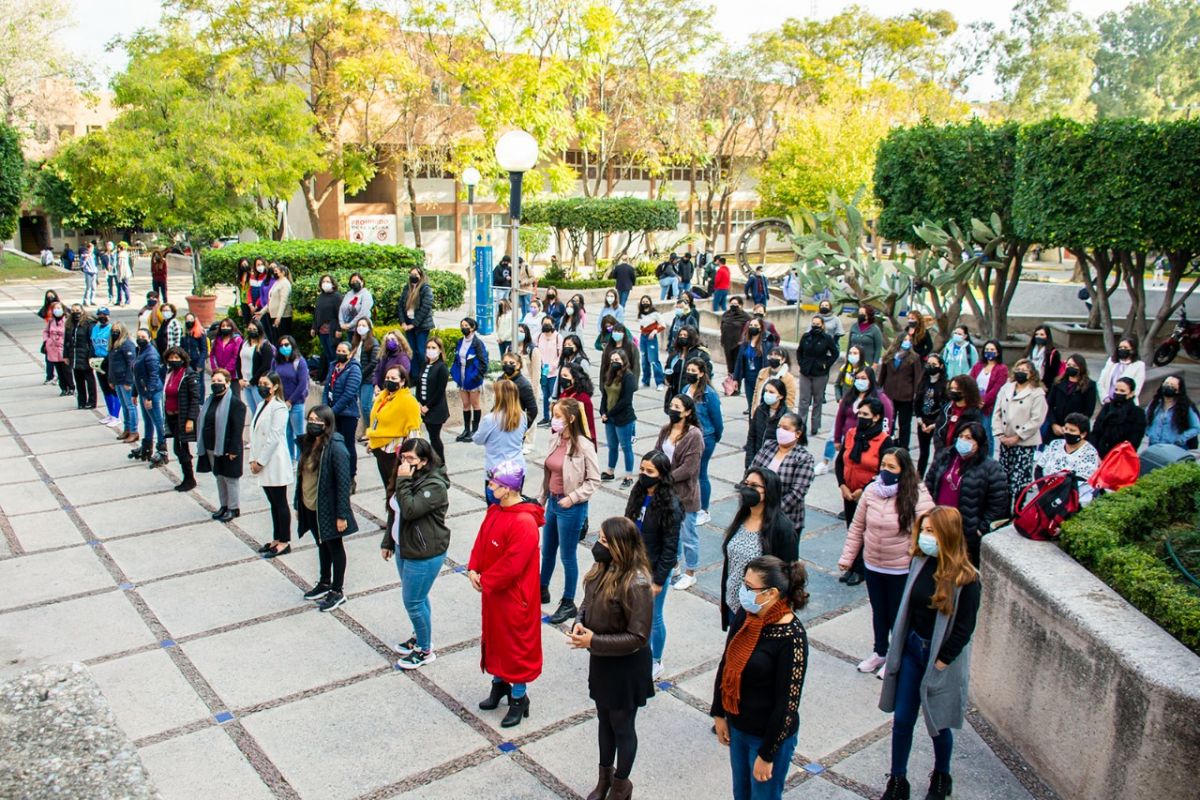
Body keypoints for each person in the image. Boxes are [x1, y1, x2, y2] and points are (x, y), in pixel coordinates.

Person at [878, 506, 980, 800]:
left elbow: (963, 629)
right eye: (923, 530)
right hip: (912, 650)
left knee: (938, 722)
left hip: (940, 659)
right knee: (903, 720)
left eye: (931, 532)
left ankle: (941, 775)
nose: (924, 537)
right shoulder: (920, 562)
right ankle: (897, 780)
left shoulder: (968, 580)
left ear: (947, 535)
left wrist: (939, 663)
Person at [711, 555, 809, 800]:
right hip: (739, 726)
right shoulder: (747, 616)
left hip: (766, 738)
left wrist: (767, 755)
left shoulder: (792, 637)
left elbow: (787, 704)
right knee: (741, 794)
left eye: (749, 587)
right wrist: (719, 713)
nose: (743, 592)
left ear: (771, 593)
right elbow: (726, 663)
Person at [571, 516, 655, 800]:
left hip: (626, 665)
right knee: (604, 720)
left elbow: (638, 637)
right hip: (603, 659)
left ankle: (621, 784)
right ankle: (603, 778)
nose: (599, 544)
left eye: (605, 541)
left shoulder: (637, 583)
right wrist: (580, 621)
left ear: (620, 546)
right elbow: (587, 600)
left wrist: (594, 640)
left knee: (622, 725)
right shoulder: (601, 569)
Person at [839, 448, 934, 678]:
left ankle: (896, 656)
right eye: (883, 465)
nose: (885, 471)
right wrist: (847, 558)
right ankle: (880, 650)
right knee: (879, 611)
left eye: (892, 467)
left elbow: (929, 527)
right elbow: (857, 527)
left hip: (900, 567)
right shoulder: (872, 491)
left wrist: (914, 551)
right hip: (873, 564)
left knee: (898, 614)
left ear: (903, 470)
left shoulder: (917, 495)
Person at [469, 459, 544, 728]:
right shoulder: (495, 510)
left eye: (495, 484)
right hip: (494, 593)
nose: (490, 488)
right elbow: (481, 541)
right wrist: (474, 567)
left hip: (514, 597)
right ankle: (499, 685)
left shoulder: (523, 523)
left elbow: (512, 564)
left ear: (510, 489)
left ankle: (518, 698)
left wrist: (485, 579)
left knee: (515, 647)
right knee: (496, 640)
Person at [381, 438, 450, 669]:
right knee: (418, 598)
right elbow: (395, 510)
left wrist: (403, 479)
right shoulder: (407, 477)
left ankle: (425, 649)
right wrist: (388, 541)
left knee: (413, 601)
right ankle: (420, 636)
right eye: (403, 457)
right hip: (403, 546)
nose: (404, 462)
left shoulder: (435, 486)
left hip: (424, 551)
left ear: (424, 461)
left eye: (411, 459)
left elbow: (409, 509)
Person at [539, 398, 601, 625]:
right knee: (547, 550)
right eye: (553, 415)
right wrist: (542, 498)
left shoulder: (584, 445)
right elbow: (549, 472)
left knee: (567, 556)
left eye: (558, 416)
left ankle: (568, 602)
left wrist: (573, 498)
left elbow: (594, 480)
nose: (554, 420)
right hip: (553, 504)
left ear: (571, 419)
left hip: (571, 508)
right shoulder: (554, 439)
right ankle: (541, 588)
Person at [295, 404, 359, 612]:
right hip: (310, 504)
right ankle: (324, 581)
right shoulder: (308, 443)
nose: (313, 424)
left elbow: (343, 484)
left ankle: (337, 590)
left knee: (334, 547)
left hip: (329, 509)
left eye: (317, 421)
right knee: (321, 544)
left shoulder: (336, 448)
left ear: (327, 424)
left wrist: (342, 515)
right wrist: (298, 503)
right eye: (310, 420)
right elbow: (302, 476)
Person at [624, 451, 681, 679]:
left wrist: (659, 579)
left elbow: (670, 546)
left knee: (653, 616)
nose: (644, 475)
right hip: (632, 563)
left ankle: (655, 659)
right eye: (642, 469)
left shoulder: (670, 505)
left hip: (653, 567)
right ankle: (637, 650)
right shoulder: (638, 492)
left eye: (650, 472)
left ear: (661, 475)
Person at [924, 422, 1009, 566]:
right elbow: (929, 483)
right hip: (938, 523)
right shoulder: (945, 456)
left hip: (966, 532)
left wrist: (981, 529)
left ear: (979, 442)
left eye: (969, 438)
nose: (963, 441)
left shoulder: (991, 468)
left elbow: (998, 503)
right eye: (961, 436)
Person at [836, 397, 893, 585]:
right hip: (848, 491)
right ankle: (851, 565)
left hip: (868, 494)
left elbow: (883, 471)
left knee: (864, 531)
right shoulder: (852, 433)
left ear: (876, 417)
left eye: (865, 415)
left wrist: (864, 489)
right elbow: (840, 461)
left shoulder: (884, 441)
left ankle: (860, 569)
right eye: (859, 413)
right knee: (852, 530)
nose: (861, 417)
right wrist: (842, 484)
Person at [655, 394, 704, 591]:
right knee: (668, 531)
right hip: (666, 492)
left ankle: (691, 572)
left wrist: (665, 479)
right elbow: (657, 452)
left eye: (677, 406)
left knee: (688, 535)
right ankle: (673, 564)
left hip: (684, 494)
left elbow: (689, 468)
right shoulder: (666, 430)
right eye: (671, 405)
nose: (673, 409)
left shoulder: (694, 435)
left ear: (687, 412)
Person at [992, 358, 1048, 507]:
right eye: (1018, 369)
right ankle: (1003, 508)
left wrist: (1017, 436)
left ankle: (1018, 508)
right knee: (1004, 477)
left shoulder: (1037, 393)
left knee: (1020, 479)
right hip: (1005, 441)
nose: (1020, 373)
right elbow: (997, 412)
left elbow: (1037, 419)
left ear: (1031, 374)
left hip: (1024, 443)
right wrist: (1000, 434)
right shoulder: (1006, 388)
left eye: (1025, 371)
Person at [250, 372, 295, 558]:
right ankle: (276, 538)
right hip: (261, 459)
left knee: (280, 502)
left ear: (275, 386)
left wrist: (260, 461)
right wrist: (253, 458)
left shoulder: (279, 408)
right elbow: (255, 433)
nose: (262, 386)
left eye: (265, 383)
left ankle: (284, 541)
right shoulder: (262, 404)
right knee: (273, 503)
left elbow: (274, 437)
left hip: (273, 461)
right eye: (260, 383)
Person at [750, 413, 815, 535]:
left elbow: (797, 493)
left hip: (786, 519)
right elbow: (752, 471)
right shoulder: (769, 446)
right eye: (779, 427)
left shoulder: (804, 458)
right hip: (757, 512)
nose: (780, 431)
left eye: (785, 428)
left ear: (798, 433)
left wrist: (770, 511)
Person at [196, 369, 247, 523]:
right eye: (213, 381)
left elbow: (237, 430)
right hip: (212, 446)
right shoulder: (210, 400)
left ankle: (233, 508)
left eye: (219, 381)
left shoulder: (236, 404)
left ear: (227, 383)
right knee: (219, 477)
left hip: (228, 448)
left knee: (230, 478)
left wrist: (233, 450)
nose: (216, 384)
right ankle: (223, 505)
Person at [366, 365, 422, 489]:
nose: (389, 381)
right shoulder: (383, 397)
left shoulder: (408, 401)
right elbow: (376, 421)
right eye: (387, 378)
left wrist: (410, 457)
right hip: (380, 450)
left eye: (393, 378)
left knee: (398, 489)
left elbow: (414, 432)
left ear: (402, 381)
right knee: (388, 487)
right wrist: (372, 441)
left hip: (395, 454)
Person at [473, 379, 528, 503]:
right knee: (514, 506)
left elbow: (477, 439)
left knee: (495, 512)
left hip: (496, 472)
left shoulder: (490, 419)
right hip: (516, 469)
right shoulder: (522, 416)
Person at [684, 358, 724, 524]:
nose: (690, 374)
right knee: (690, 472)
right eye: (689, 370)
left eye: (694, 371)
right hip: (687, 436)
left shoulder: (709, 394)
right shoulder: (686, 389)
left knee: (701, 473)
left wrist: (714, 437)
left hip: (705, 437)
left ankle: (704, 509)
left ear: (701, 373)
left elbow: (717, 421)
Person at [1034, 413, 1101, 503]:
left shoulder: (1090, 453)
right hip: (1045, 496)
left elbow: (1082, 482)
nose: (1067, 432)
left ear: (1083, 434)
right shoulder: (1055, 444)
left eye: (1072, 430)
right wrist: (1043, 491)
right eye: (1066, 429)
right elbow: (1039, 469)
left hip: (1070, 502)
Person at [323, 341, 362, 486]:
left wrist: (332, 411)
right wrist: (325, 409)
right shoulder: (334, 366)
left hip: (347, 414)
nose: (340, 353)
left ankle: (351, 476)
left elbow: (349, 394)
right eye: (338, 350)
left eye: (343, 351)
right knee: (333, 444)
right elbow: (327, 388)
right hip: (332, 412)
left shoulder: (354, 369)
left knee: (348, 445)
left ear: (350, 353)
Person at [163, 348, 201, 491]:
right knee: (179, 447)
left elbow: (195, 398)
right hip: (170, 416)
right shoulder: (169, 374)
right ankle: (187, 477)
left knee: (180, 448)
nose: (173, 360)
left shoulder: (189, 375)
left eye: (176, 358)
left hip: (182, 417)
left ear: (183, 359)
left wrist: (190, 419)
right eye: (171, 358)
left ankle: (189, 478)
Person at [600, 349, 638, 488]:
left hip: (623, 418)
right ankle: (610, 471)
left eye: (617, 360)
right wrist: (603, 411)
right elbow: (605, 395)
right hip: (609, 418)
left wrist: (609, 414)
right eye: (612, 360)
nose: (614, 363)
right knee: (612, 446)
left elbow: (626, 400)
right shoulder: (609, 375)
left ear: (623, 361)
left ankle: (628, 475)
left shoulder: (628, 377)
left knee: (626, 447)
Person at [880, 334, 925, 450]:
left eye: (909, 340)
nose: (907, 342)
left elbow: (917, 378)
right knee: (889, 420)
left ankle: (904, 447)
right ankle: (887, 443)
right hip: (889, 394)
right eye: (905, 340)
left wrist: (916, 395)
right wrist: (879, 391)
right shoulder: (889, 356)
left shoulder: (914, 358)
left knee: (904, 424)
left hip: (906, 396)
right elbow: (882, 376)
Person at [131, 328, 168, 465]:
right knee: (147, 421)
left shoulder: (151, 354)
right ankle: (147, 446)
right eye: (138, 336)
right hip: (142, 390)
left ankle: (162, 449)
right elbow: (137, 374)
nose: (140, 338)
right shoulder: (140, 351)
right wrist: (134, 393)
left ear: (149, 338)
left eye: (143, 336)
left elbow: (153, 376)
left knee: (158, 421)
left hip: (151, 392)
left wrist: (149, 397)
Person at [797, 315, 839, 436]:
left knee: (818, 400)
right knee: (804, 400)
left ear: (822, 325)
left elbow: (835, 353)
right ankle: (801, 425)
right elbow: (799, 351)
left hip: (820, 373)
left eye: (818, 324)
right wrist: (801, 363)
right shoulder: (806, 337)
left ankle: (815, 425)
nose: (815, 326)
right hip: (805, 371)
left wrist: (826, 364)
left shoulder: (827, 338)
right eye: (813, 323)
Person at [270, 335, 309, 460]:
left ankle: (300, 459)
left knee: (299, 433)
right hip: (280, 402)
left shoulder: (299, 361)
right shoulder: (275, 361)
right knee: (286, 433)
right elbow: (272, 378)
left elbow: (302, 384)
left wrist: (290, 401)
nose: (284, 347)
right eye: (281, 345)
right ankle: (290, 458)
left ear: (292, 346)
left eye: (286, 345)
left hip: (296, 403)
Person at [1047, 354, 1098, 442]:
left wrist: (1071, 427)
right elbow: (1049, 405)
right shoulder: (1058, 382)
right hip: (1056, 429)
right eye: (1069, 365)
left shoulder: (1089, 386)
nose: (1071, 368)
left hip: (1075, 430)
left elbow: (1088, 410)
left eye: (1074, 366)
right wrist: (1053, 424)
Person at [1091, 377, 1147, 457]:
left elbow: (1134, 441)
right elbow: (1096, 431)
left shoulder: (1138, 414)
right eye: (1116, 390)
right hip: (1099, 454)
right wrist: (1095, 453)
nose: (1118, 393)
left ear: (1131, 393)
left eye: (1122, 391)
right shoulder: (1107, 407)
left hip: (1119, 457)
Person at [452, 317, 488, 441]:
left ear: (472, 328)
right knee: (465, 404)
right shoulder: (460, 341)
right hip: (461, 377)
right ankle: (466, 429)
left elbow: (484, 362)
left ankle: (475, 429)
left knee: (475, 404)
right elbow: (456, 358)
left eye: (466, 325)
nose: (464, 328)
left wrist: (477, 376)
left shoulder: (478, 343)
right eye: (462, 325)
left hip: (473, 378)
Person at [969, 339, 1007, 455]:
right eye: (987, 349)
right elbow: (971, 382)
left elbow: (997, 388)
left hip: (989, 407)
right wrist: (974, 399)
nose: (989, 352)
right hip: (975, 403)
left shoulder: (1002, 369)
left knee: (986, 433)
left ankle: (988, 457)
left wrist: (983, 401)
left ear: (998, 352)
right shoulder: (978, 366)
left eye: (992, 350)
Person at [914, 353, 949, 477]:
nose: (930, 367)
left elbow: (945, 408)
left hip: (936, 423)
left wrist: (935, 424)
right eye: (929, 364)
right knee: (923, 452)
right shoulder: (923, 381)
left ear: (941, 366)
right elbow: (917, 402)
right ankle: (919, 477)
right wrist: (919, 420)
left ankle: (933, 477)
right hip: (922, 421)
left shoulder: (945, 385)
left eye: (934, 364)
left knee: (937, 452)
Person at [416, 338, 450, 461]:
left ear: (440, 350)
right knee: (429, 436)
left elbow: (440, 391)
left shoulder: (442, 368)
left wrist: (427, 406)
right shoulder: (424, 365)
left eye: (434, 348)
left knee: (434, 437)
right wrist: (419, 403)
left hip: (435, 409)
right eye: (428, 347)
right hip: (422, 406)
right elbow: (419, 385)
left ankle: (440, 462)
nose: (430, 350)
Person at [398, 266, 435, 376]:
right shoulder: (407, 288)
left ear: (421, 276)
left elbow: (425, 308)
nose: (413, 277)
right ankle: (414, 375)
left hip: (421, 325)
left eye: (416, 274)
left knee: (421, 351)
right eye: (411, 274)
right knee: (411, 351)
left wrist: (414, 324)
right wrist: (403, 322)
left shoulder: (425, 289)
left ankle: (423, 375)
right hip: (408, 323)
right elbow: (400, 305)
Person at [745, 378, 789, 470]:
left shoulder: (786, 417)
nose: (767, 394)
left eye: (772, 392)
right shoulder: (760, 410)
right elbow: (751, 437)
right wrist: (749, 462)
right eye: (766, 391)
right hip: (757, 460)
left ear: (780, 396)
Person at [1146, 374, 1199, 448]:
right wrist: (1149, 432)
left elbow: (1196, 427)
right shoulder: (1155, 403)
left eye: (1172, 385)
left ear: (1178, 390)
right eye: (1166, 383)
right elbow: (1144, 419)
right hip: (1154, 446)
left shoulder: (1186, 406)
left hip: (1175, 448)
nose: (1168, 386)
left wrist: (1181, 438)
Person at [108, 322, 139, 444]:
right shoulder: (114, 345)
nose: (115, 332)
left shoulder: (127, 345)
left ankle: (133, 431)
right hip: (117, 380)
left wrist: (128, 381)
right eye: (113, 330)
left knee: (130, 406)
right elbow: (111, 364)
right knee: (124, 406)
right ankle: (127, 428)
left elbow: (131, 364)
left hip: (125, 380)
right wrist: (111, 379)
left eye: (117, 330)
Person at [91, 307, 122, 425]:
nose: (102, 317)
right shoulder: (95, 329)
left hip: (109, 360)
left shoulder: (111, 329)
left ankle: (116, 415)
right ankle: (110, 413)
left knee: (113, 388)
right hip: (98, 361)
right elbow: (92, 344)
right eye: (100, 315)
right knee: (105, 389)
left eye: (104, 314)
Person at [735, 317, 770, 413]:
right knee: (751, 407)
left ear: (760, 328)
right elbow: (739, 361)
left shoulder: (765, 343)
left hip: (761, 380)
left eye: (755, 326)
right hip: (748, 380)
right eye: (751, 325)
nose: (752, 327)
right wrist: (736, 379)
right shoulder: (745, 343)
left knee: (761, 407)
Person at [1098, 336, 1146, 405]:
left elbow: (1137, 388)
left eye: (1125, 348)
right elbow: (1101, 381)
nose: (1122, 349)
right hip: (1108, 403)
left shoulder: (1139, 365)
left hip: (1127, 405)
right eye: (1120, 347)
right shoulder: (1111, 361)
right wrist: (1105, 398)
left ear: (1132, 350)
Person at [311, 274, 343, 379]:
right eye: (323, 281)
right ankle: (330, 377)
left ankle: (336, 377)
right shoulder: (320, 297)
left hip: (332, 330)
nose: (325, 284)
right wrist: (314, 327)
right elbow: (316, 313)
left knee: (334, 355)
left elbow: (340, 314)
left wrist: (339, 328)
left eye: (328, 281)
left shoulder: (337, 297)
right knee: (328, 355)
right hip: (321, 331)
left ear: (333, 284)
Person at [64, 305, 96, 410]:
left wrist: (91, 355)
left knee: (89, 380)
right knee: (79, 380)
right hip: (74, 356)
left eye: (77, 310)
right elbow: (66, 341)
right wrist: (65, 355)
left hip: (85, 355)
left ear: (82, 311)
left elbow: (91, 341)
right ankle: (81, 401)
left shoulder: (88, 323)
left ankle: (92, 401)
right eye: (73, 311)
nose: (75, 312)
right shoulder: (69, 324)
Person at [557, 363, 597, 445]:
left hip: (577, 441)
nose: (562, 378)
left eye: (565, 376)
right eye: (561, 375)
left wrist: (591, 447)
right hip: (563, 438)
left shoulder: (583, 398)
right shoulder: (563, 394)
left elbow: (589, 426)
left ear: (574, 379)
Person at [751, 347, 796, 415]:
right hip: (760, 411)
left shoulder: (788, 378)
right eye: (771, 355)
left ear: (783, 359)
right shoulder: (762, 372)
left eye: (776, 355)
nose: (772, 357)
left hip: (777, 414)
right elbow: (756, 393)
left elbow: (789, 402)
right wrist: (753, 410)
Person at [535, 316, 563, 423]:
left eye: (548, 323)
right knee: (545, 395)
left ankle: (554, 417)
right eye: (544, 323)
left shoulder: (558, 337)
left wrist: (553, 366)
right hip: (543, 370)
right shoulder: (539, 337)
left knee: (553, 395)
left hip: (554, 371)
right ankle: (546, 417)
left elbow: (560, 354)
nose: (546, 325)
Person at [720, 297, 752, 387]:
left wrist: (743, 341)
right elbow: (722, 327)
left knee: (737, 367)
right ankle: (730, 385)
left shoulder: (745, 317)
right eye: (732, 304)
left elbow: (748, 331)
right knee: (730, 366)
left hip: (738, 345)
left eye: (736, 304)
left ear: (740, 305)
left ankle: (737, 385)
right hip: (727, 343)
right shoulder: (726, 315)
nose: (733, 306)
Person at [636, 296, 666, 390]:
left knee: (653, 360)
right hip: (643, 337)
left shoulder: (655, 314)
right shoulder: (641, 314)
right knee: (644, 360)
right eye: (643, 301)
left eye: (647, 301)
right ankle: (645, 380)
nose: (645, 303)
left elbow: (663, 325)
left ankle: (660, 382)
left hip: (651, 338)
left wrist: (655, 331)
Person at [43, 301, 71, 396]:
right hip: (53, 349)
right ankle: (63, 388)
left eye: (59, 308)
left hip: (63, 348)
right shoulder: (51, 321)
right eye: (55, 308)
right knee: (59, 371)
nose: (56, 310)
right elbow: (45, 331)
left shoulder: (67, 320)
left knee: (66, 370)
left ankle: (71, 387)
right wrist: (47, 341)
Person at [262, 263, 293, 342]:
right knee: (275, 339)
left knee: (282, 339)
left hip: (282, 317)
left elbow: (283, 302)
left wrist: (278, 317)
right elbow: (271, 299)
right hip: (274, 315)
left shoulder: (285, 283)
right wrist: (261, 312)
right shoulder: (277, 282)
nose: (274, 273)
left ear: (282, 272)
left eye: (276, 271)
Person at [338, 272, 374, 339]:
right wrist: (341, 323)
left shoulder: (366, 294)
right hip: (349, 331)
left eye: (357, 281)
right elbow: (341, 309)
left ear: (362, 282)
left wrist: (350, 325)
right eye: (352, 281)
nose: (354, 283)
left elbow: (363, 313)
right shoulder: (348, 294)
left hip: (362, 329)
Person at [179, 312, 208, 385]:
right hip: (187, 361)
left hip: (197, 360)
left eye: (191, 319)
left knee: (199, 382)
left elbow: (204, 350)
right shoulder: (184, 334)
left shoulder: (200, 333)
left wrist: (200, 363)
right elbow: (182, 348)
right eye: (187, 320)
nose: (189, 321)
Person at [114, 242, 132, 307]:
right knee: (121, 287)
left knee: (124, 287)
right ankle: (121, 300)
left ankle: (126, 300)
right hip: (124, 273)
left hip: (123, 274)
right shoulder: (124, 254)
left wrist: (121, 276)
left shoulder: (121, 255)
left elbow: (121, 266)